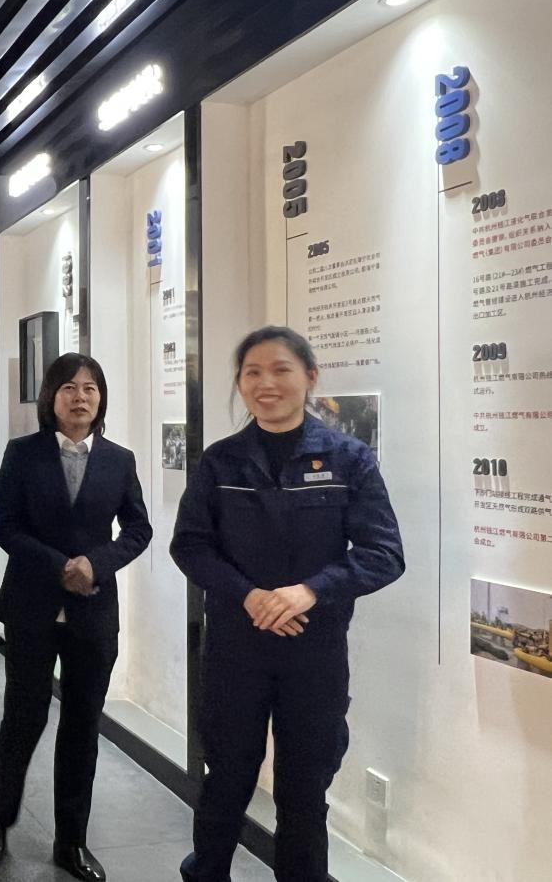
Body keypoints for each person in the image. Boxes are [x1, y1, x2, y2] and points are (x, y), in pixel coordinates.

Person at [170, 325, 404, 882]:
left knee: (304, 789)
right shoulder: (221, 462)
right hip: (235, 649)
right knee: (227, 778)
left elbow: (384, 553)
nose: (266, 383)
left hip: (313, 652)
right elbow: (191, 545)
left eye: (281, 370)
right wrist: (248, 596)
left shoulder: (348, 459)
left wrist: (310, 590)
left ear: (310, 377)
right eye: (253, 372)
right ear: (239, 383)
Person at [0, 353, 152, 882]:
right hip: (32, 606)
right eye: (69, 388)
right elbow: (4, 525)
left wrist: (97, 564)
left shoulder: (119, 460)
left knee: (81, 726)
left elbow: (139, 529)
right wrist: (60, 566)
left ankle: (70, 841)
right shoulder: (23, 453)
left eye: (90, 388)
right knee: (23, 718)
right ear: (51, 397)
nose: (80, 397)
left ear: (101, 398)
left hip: (93, 613)